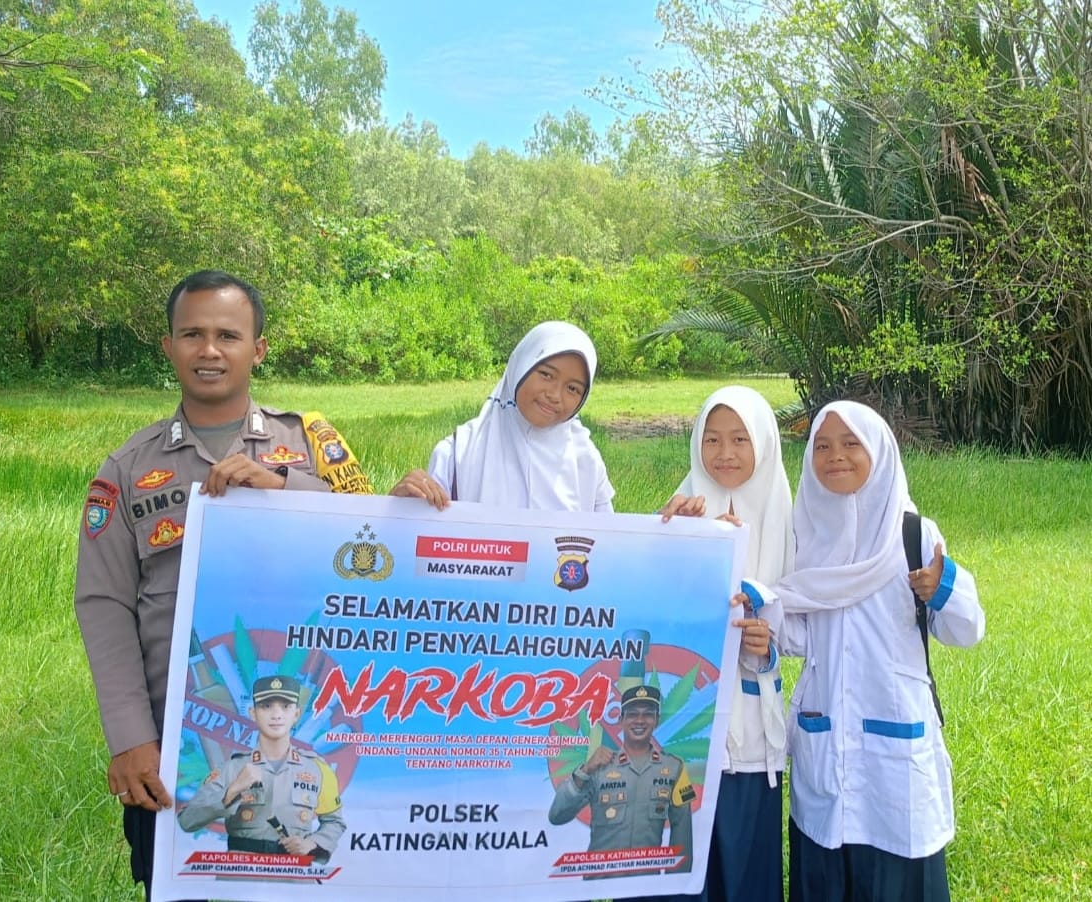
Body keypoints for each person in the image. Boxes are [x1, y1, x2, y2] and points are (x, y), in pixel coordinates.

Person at [73, 269, 373, 901]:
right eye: (193, 334)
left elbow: (373, 543)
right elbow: (103, 606)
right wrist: (131, 739)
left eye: (228, 336)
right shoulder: (128, 469)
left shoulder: (310, 446)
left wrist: (287, 490)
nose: (210, 351)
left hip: (310, 733)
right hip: (180, 739)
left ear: (258, 348)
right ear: (169, 347)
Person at [775, 400, 984, 902]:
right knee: (826, 869)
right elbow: (798, 637)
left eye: (851, 444)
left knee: (899, 874)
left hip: (896, 748)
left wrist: (942, 590)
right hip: (824, 738)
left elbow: (967, 630)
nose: (835, 456)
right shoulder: (803, 538)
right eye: (821, 446)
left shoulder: (913, 535)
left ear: (880, 453)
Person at [657, 385, 793, 902]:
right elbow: (648, 615)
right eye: (712, 439)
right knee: (679, 866)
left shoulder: (790, 520)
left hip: (751, 736)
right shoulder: (677, 514)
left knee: (745, 869)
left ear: (763, 444)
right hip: (681, 730)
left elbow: (802, 624)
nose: (725, 453)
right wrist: (677, 544)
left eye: (740, 438)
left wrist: (768, 640)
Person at [390, 320, 614, 512]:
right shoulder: (458, 453)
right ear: (520, 366)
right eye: (546, 375)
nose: (555, 395)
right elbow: (423, 540)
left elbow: (609, 542)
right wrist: (401, 506)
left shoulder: (586, 461)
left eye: (573, 389)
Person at [176, 675, 345, 859]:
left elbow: (334, 822)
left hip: (295, 876)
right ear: (253, 713)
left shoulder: (317, 769)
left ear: (296, 714)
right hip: (241, 876)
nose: (276, 714)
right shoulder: (233, 768)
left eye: (285, 706)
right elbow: (187, 820)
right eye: (266, 706)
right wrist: (232, 791)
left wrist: (311, 843)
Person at [548, 684, 695, 887]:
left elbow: (682, 829)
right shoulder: (598, 765)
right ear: (621, 720)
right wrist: (585, 770)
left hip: (645, 886)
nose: (640, 721)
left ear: (657, 720)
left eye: (648, 714)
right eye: (632, 714)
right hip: (600, 884)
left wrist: (677, 883)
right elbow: (556, 816)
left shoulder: (674, 767)